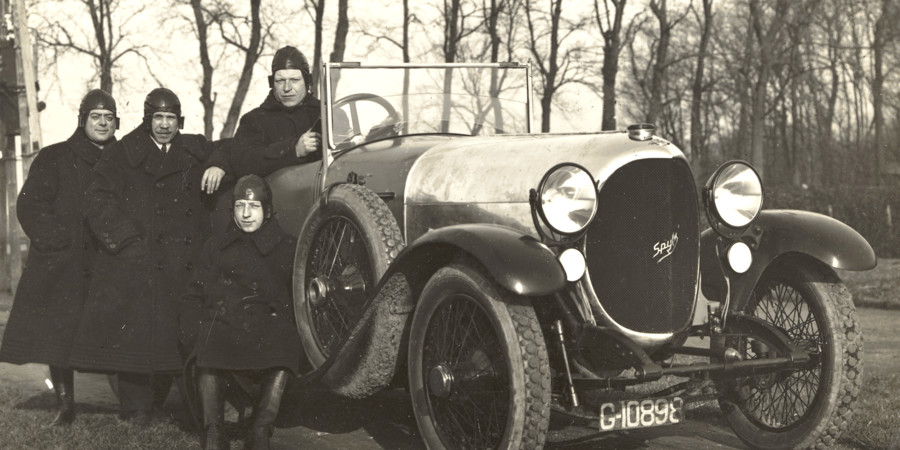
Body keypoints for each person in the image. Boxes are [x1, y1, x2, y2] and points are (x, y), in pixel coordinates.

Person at [69, 87, 227, 426]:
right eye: (159, 117)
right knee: (135, 338)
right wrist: (127, 241)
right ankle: (137, 408)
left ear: (179, 120)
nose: (165, 125)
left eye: (171, 118)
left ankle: (175, 406)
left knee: (176, 335)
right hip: (138, 261)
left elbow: (229, 151)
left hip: (182, 262)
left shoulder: (195, 149)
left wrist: (217, 164)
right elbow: (97, 200)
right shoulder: (122, 152)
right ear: (147, 118)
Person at [0, 89, 119, 426]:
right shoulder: (55, 157)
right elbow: (30, 204)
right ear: (82, 121)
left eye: (108, 118)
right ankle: (65, 405)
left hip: (108, 262)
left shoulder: (124, 159)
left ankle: (133, 405)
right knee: (59, 336)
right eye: (96, 117)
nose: (102, 123)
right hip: (65, 264)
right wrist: (57, 240)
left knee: (117, 330)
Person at [183, 175, 302, 450]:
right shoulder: (216, 246)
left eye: (254, 206)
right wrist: (192, 331)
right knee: (209, 340)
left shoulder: (287, 247)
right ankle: (214, 431)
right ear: (232, 210)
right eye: (239, 206)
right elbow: (194, 292)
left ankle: (260, 431)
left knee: (285, 342)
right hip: (226, 324)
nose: (246, 214)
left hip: (266, 330)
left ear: (268, 211)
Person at [231, 45, 323, 178]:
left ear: (307, 81)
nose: (287, 88)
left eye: (294, 80)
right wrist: (293, 150)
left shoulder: (325, 114)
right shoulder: (255, 119)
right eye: (280, 81)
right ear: (272, 83)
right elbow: (243, 163)